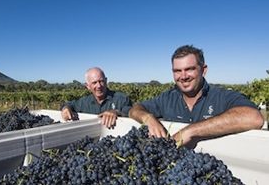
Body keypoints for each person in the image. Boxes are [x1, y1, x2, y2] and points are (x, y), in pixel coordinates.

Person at [129, 45, 264, 148]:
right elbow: (135, 109)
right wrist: (148, 118)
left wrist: (189, 132)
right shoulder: (167, 98)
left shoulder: (222, 96)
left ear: (203, 70)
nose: (183, 76)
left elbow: (254, 118)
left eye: (190, 69)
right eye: (177, 71)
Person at [61, 67, 133, 129]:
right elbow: (69, 105)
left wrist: (117, 112)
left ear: (106, 81)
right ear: (88, 86)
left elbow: (131, 112)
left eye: (101, 81)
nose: (99, 86)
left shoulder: (121, 99)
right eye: (94, 82)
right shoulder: (84, 102)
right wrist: (66, 108)